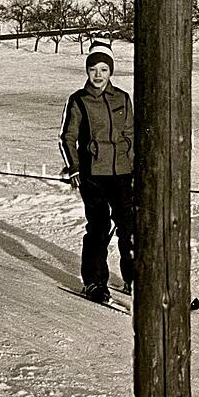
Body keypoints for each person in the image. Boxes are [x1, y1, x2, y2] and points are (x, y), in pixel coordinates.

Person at [59, 41, 134, 304]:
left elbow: (131, 135)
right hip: (93, 175)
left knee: (130, 227)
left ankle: (133, 277)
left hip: (122, 173)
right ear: (87, 71)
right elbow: (67, 137)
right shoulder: (78, 100)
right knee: (100, 228)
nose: (98, 75)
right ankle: (94, 281)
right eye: (93, 69)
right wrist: (74, 168)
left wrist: (134, 166)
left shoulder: (122, 98)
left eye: (104, 69)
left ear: (111, 71)